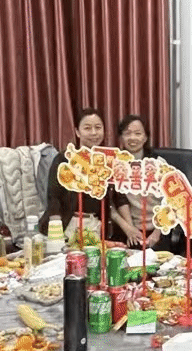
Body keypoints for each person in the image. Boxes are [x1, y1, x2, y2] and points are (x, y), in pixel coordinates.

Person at [40, 108, 131, 241]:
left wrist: (129, 228)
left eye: (98, 127)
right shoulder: (65, 158)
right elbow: (53, 196)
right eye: (87, 128)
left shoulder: (108, 160)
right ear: (77, 132)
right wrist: (56, 232)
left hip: (96, 225)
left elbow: (118, 197)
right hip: (67, 225)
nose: (94, 133)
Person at [111, 114, 182, 253]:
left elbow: (173, 201)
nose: (132, 138)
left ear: (145, 138)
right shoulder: (115, 164)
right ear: (121, 138)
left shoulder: (158, 164)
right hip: (127, 229)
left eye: (138, 133)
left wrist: (158, 232)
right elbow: (113, 203)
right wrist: (128, 229)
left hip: (158, 228)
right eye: (127, 133)